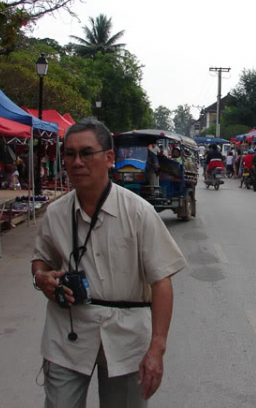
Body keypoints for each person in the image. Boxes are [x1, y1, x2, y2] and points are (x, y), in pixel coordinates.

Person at [31, 118, 186, 407]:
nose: (77, 162)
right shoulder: (55, 214)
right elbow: (41, 261)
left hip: (126, 340)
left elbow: (161, 282)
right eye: (70, 154)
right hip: (67, 334)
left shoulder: (139, 213)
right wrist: (42, 279)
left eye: (86, 153)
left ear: (109, 158)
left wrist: (157, 349)